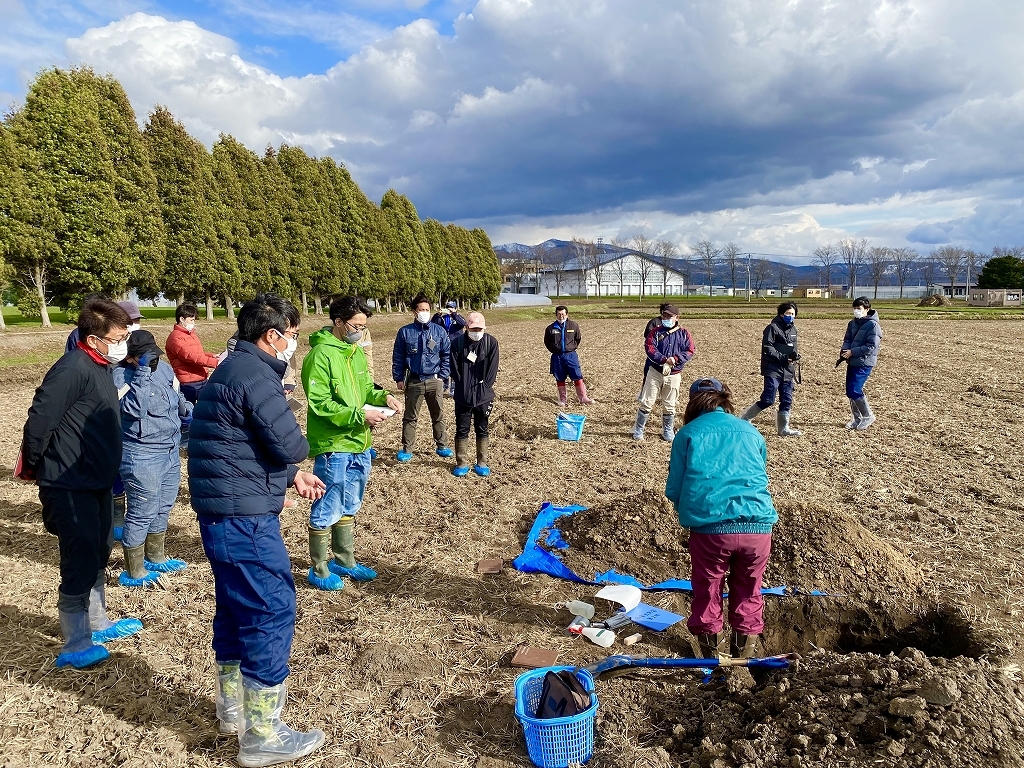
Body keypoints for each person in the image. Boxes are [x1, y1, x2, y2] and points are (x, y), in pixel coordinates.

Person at [188, 293, 327, 765]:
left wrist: (292, 477)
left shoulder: (230, 369)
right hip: (244, 517)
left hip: (223, 509)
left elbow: (240, 442)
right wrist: (295, 456)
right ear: (272, 336)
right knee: (270, 608)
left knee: (234, 608)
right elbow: (291, 441)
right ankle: (263, 734)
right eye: (291, 335)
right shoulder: (257, 376)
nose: (293, 344)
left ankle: (234, 714)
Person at [19, 299, 143, 669]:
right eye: (119, 336)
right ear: (93, 339)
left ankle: (97, 621)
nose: (125, 342)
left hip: (97, 479)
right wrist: (37, 466)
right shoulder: (72, 368)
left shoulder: (101, 366)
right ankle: (75, 642)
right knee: (80, 556)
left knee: (101, 547)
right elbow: (40, 418)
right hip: (70, 481)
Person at [665, 378, 777, 667]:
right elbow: (759, 472)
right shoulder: (751, 431)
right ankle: (742, 662)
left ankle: (712, 662)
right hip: (759, 528)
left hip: (710, 531)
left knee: (708, 589)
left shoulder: (687, 434)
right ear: (724, 402)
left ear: (692, 404)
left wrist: (690, 516)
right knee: (750, 590)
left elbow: (674, 489)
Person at [301, 296, 403, 591]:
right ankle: (318, 568)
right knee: (328, 501)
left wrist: (383, 398)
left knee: (350, 503)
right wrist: (360, 414)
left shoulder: (354, 351)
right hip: (334, 444)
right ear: (338, 322)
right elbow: (320, 404)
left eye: (363, 326)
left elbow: (366, 388)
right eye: (356, 325)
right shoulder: (320, 355)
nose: (360, 331)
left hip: (360, 442)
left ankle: (343, 560)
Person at [111, 331, 193, 588]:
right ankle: (134, 571)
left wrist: (186, 410)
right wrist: (143, 373)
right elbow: (135, 409)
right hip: (141, 453)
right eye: (145, 357)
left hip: (170, 449)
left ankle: (156, 557)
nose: (153, 360)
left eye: (154, 355)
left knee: (163, 505)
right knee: (141, 511)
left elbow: (176, 393)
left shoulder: (166, 370)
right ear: (131, 358)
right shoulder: (119, 376)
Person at [392, 294, 452, 462]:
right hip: (414, 380)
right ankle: (407, 448)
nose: (425, 312)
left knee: (438, 414)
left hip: (434, 380)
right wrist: (398, 377)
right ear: (414, 312)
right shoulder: (405, 332)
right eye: (421, 310)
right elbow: (398, 356)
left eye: (427, 309)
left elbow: (446, 354)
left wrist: (442, 376)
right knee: (410, 416)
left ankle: (442, 446)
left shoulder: (439, 331)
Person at [632, 304, 694, 442]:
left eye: (669, 316)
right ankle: (639, 429)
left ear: (676, 317)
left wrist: (675, 359)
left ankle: (667, 430)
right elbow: (649, 347)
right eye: (664, 316)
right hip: (655, 371)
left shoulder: (684, 334)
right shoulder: (655, 332)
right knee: (647, 401)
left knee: (670, 403)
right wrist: (664, 360)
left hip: (674, 374)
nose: (665, 318)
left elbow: (689, 351)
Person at [740, 302, 802, 437]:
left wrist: (794, 357)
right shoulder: (772, 328)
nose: (790, 316)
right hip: (773, 368)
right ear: (781, 314)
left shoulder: (793, 330)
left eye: (792, 314)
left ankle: (783, 428)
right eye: (787, 313)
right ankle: (745, 418)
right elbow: (767, 348)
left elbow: (793, 348)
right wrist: (783, 357)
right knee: (768, 399)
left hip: (788, 370)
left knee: (787, 399)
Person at [450, 311, 499, 477]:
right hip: (463, 395)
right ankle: (461, 462)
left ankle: (482, 462)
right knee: (462, 429)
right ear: (467, 328)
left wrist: (484, 388)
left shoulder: (491, 343)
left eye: (480, 329)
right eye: (473, 328)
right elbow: (454, 369)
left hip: (484, 395)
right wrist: (463, 386)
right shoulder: (457, 344)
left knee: (482, 428)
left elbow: (492, 370)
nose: (477, 332)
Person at [841, 297, 883, 431]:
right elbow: (847, 339)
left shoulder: (873, 325)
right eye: (854, 308)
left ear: (867, 309)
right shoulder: (852, 323)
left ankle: (867, 415)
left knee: (855, 390)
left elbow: (872, 346)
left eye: (859, 309)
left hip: (865, 362)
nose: (856, 311)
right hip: (852, 361)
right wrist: (844, 351)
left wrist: (853, 352)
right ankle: (857, 419)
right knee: (850, 391)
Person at [166, 303, 220, 404]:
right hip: (189, 383)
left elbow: (197, 353)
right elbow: (189, 356)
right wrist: (215, 363)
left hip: (201, 379)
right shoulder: (175, 338)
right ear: (182, 319)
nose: (193, 323)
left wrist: (212, 356)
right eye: (191, 320)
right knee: (189, 412)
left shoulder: (191, 334)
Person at [544, 305, 594, 406]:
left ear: (567, 314)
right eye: (558, 314)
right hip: (557, 357)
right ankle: (562, 400)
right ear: (556, 315)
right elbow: (547, 342)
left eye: (562, 314)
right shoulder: (550, 328)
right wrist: (555, 349)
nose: (561, 316)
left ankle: (583, 398)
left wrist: (570, 348)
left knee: (577, 375)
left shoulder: (573, 326)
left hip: (571, 356)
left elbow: (578, 339)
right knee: (560, 377)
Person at [432, 300, 467, 395]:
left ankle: (454, 387)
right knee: (444, 366)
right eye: (447, 308)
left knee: (456, 367)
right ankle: (444, 386)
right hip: (444, 346)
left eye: (451, 307)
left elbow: (463, 324)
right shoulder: (442, 319)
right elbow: (433, 325)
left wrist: (454, 314)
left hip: (457, 346)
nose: (449, 310)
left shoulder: (458, 318)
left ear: (455, 308)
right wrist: (437, 315)